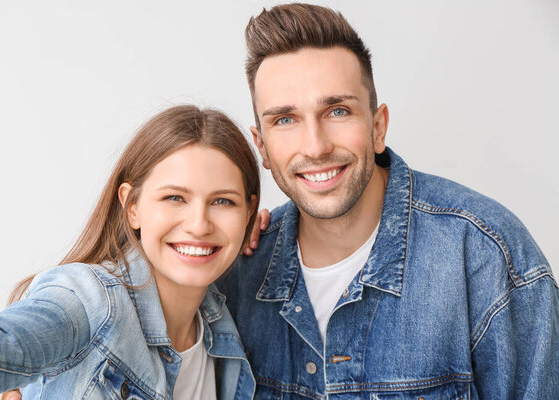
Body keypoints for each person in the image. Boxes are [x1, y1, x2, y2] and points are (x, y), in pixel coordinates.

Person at [217, 3, 559, 399]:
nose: (315, 146)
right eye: (285, 120)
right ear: (261, 146)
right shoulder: (236, 272)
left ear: (378, 127)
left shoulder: (485, 256)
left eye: (338, 110)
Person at [0, 105, 260, 399]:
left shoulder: (223, 323)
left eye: (222, 202)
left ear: (248, 212)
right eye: (174, 197)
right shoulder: (91, 301)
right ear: (132, 208)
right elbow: (2, 346)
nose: (198, 225)